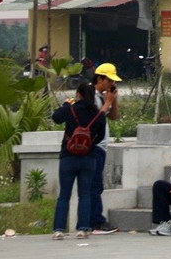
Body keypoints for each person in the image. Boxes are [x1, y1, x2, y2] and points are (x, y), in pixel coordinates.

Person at [50, 81, 108, 240]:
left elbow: (56, 118)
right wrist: (87, 145)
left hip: (68, 157)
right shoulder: (98, 114)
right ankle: (83, 229)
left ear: (79, 94)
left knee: (64, 194)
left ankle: (59, 229)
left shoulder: (70, 109)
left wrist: (65, 105)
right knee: (85, 194)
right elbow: (100, 137)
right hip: (89, 158)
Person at [89, 62, 122, 234]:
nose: (111, 84)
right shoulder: (90, 96)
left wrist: (113, 100)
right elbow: (95, 119)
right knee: (95, 185)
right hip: (94, 146)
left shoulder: (103, 97)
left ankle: (94, 219)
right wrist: (107, 102)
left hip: (102, 146)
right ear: (100, 79)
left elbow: (113, 116)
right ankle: (96, 221)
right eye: (109, 81)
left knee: (96, 184)